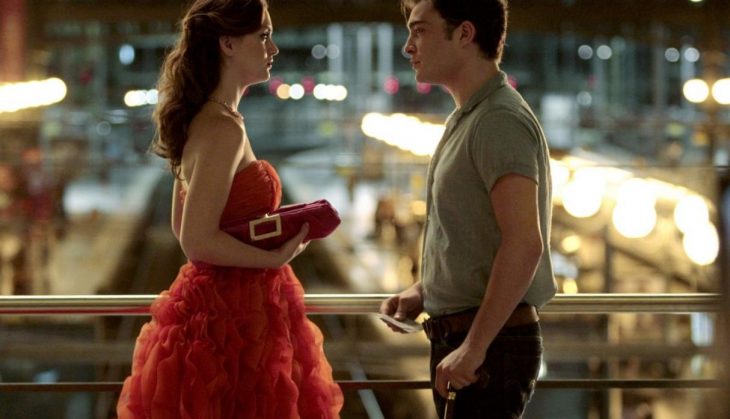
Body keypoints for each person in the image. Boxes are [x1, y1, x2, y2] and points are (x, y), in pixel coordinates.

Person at [116, 1, 343, 417]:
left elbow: (180, 223)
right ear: (228, 44)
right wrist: (273, 256)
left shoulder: (205, 119)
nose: (273, 48)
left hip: (214, 309)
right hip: (236, 314)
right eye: (263, 36)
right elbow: (196, 240)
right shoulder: (223, 128)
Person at [379, 0, 557, 418]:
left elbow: (523, 244)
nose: (408, 47)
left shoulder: (498, 120)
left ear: (464, 33)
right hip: (469, 342)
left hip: (487, 350)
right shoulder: (469, 117)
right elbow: (474, 237)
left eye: (420, 30)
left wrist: (473, 349)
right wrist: (426, 290)